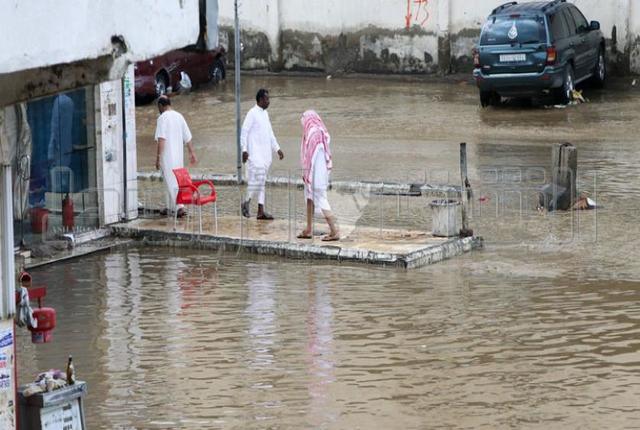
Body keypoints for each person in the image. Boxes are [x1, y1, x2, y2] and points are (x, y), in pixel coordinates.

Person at [241, 89, 284, 220]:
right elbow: (244, 132)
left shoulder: (265, 114)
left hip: (265, 155)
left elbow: (270, 134)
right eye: (266, 99)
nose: (268, 101)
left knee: (262, 182)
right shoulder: (252, 113)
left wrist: (277, 149)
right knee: (258, 180)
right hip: (254, 155)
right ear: (260, 100)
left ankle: (260, 211)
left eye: (268, 99)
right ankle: (246, 202)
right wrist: (244, 149)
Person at [297, 110, 339, 241]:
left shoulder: (313, 133)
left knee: (321, 200)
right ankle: (309, 229)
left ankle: (334, 231)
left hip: (315, 173)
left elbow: (310, 156)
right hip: (318, 172)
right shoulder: (320, 131)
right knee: (310, 198)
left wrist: (307, 173)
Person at [154, 95, 197, 217]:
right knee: (171, 180)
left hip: (166, 156)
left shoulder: (162, 118)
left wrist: (157, 157)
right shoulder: (179, 116)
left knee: (171, 180)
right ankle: (169, 206)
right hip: (178, 155)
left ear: (161, 106)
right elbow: (187, 137)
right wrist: (191, 152)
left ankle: (179, 207)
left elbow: (161, 139)